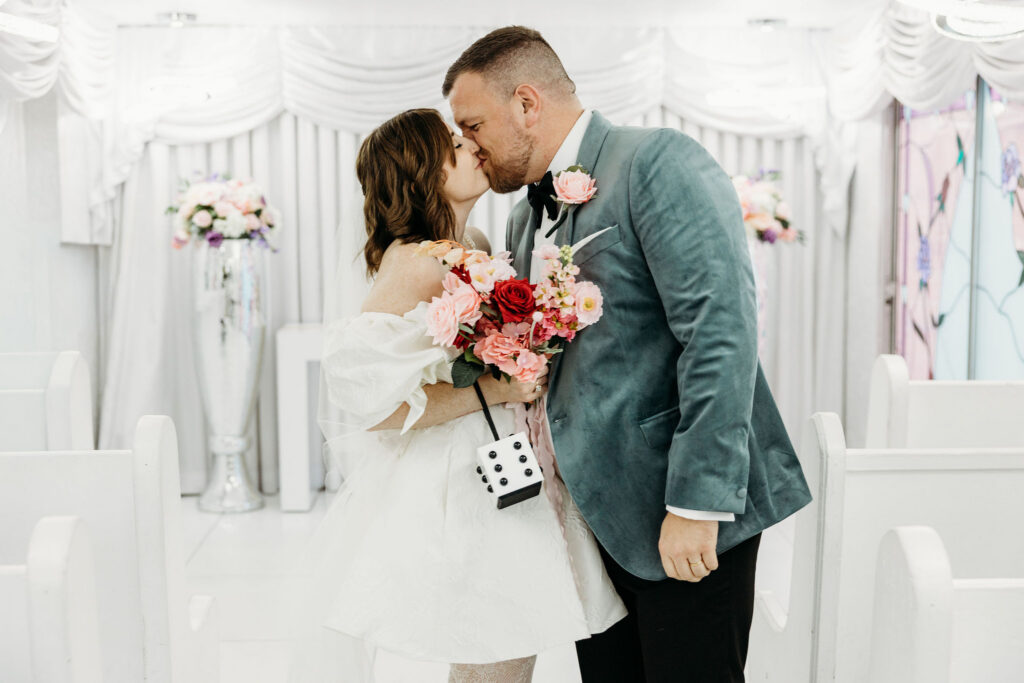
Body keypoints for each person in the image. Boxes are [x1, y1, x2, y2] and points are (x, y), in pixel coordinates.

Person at [444, 27, 813, 682]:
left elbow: (720, 330)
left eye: (473, 124)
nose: (468, 145)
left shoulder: (657, 161)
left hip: (683, 516)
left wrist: (697, 503)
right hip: (599, 524)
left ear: (527, 104)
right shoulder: (525, 217)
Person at [287, 108, 625, 683]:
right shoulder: (413, 261)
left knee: (513, 647)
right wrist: (491, 389)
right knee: (494, 646)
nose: (471, 145)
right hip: (459, 478)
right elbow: (373, 406)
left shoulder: (477, 241)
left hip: (510, 457)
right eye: (451, 143)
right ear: (423, 171)